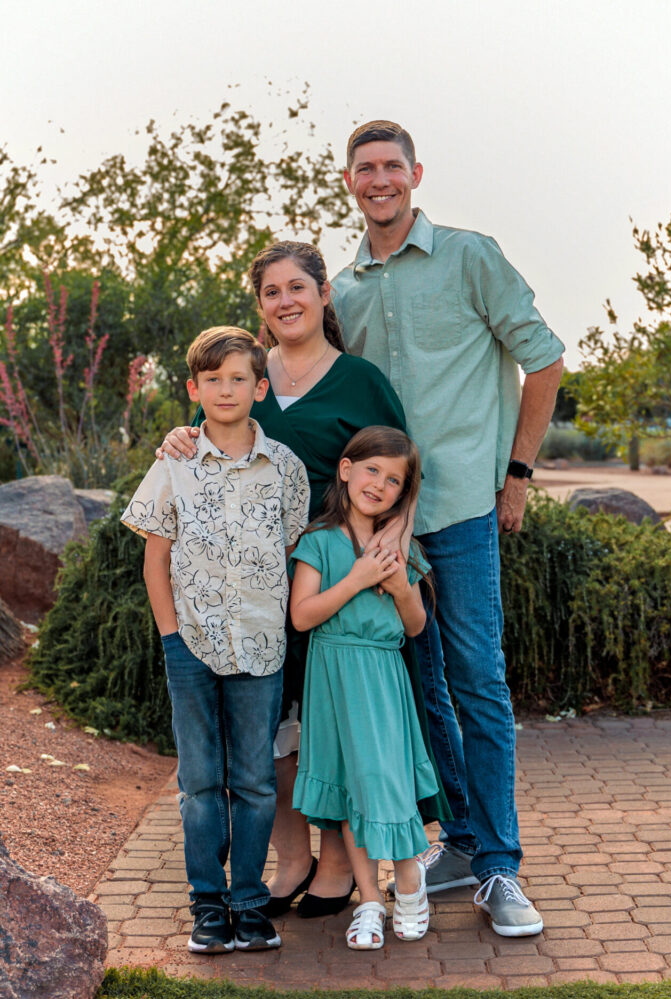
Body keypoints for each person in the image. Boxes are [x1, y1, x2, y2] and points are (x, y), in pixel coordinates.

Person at [155, 242, 447, 918]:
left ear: (322, 294)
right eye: (271, 292)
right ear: (259, 305)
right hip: (250, 587)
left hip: (339, 575)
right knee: (269, 731)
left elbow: (398, 471)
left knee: (337, 722)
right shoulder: (247, 377)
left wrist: (391, 549)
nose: (285, 301)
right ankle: (292, 857)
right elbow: (209, 448)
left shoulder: (359, 381)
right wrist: (178, 436)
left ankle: (342, 864)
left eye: (297, 287)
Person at [332, 120, 565, 937]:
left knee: (477, 682)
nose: (379, 180)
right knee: (424, 689)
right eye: (365, 169)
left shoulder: (471, 256)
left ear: (415, 174)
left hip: (463, 507)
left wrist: (518, 473)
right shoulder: (344, 288)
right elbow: (310, 384)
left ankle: (500, 869)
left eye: (392, 166)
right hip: (388, 528)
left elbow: (544, 358)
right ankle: (460, 841)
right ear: (349, 182)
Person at [122, 327, 310, 954]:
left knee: (256, 781)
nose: (225, 390)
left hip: (260, 646)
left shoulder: (283, 468)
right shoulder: (172, 463)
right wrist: (172, 639)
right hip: (191, 647)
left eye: (238, 379)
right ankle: (208, 904)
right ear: (193, 389)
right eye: (212, 380)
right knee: (201, 783)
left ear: (260, 387)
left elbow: (288, 554)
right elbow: (156, 563)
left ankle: (250, 904)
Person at [290, 426, 437, 950]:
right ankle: (370, 900)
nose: (379, 483)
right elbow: (302, 616)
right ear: (347, 470)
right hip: (332, 681)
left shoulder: (401, 549)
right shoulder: (318, 541)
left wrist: (398, 586)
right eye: (372, 469)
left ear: (403, 493)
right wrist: (355, 579)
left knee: (386, 782)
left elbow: (416, 626)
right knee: (352, 790)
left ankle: (412, 888)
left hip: (379, 681)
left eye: (393, 479)